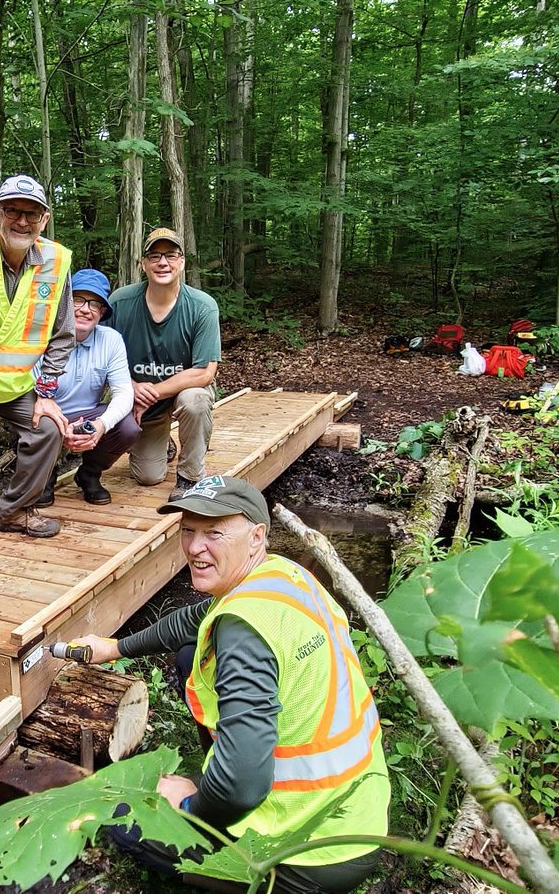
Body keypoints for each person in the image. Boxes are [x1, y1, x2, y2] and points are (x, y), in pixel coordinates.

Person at [70, 477, 389, 893]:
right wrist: (115, 648)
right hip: (357, 807)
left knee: (124, 818)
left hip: (309, 850)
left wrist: (187, 807)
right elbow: (190, 621)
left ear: (256, 537)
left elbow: (241, 787)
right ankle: (220, 789)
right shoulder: (284, 575)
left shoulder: (244, 632)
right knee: (190, 657)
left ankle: (225, 867)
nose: (195, 547)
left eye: (214, 533)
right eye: (188, 531)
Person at [0, 175, 74, 551]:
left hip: (15, 381)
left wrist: (46, 391)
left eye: (32, 214)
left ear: (45, 218)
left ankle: (15, 511)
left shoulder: (56, 262)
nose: (22, 221)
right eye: (12, 211)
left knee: (48, 429)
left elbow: (63, 334)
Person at [106, 227, 220, 500]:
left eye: (170, 255)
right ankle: (163, 443)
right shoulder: (120, 303)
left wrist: (154, 392)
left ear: (181, 262)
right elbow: (101, 358)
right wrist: (131, 387)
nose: (162, 263)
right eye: (154, 256)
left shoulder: (202, 306)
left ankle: (190, 477)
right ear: (143, 263)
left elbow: (205, 371)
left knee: (195, 401)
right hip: (142, 402)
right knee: (147, 476)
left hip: (180, 393)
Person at [34, 268, 139, 506]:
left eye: (94, 304)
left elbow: (124, 393)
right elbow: (28, 393)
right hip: (45, 413)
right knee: (40, 422)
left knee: (127, 427)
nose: (85, 309)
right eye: (78, 300)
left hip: (89, 414)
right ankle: (44, 478)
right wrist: (62, 425)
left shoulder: (110, 340)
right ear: (65, 304)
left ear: (102, 312)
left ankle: (89, 474)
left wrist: (101, 425)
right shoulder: (41, 337)